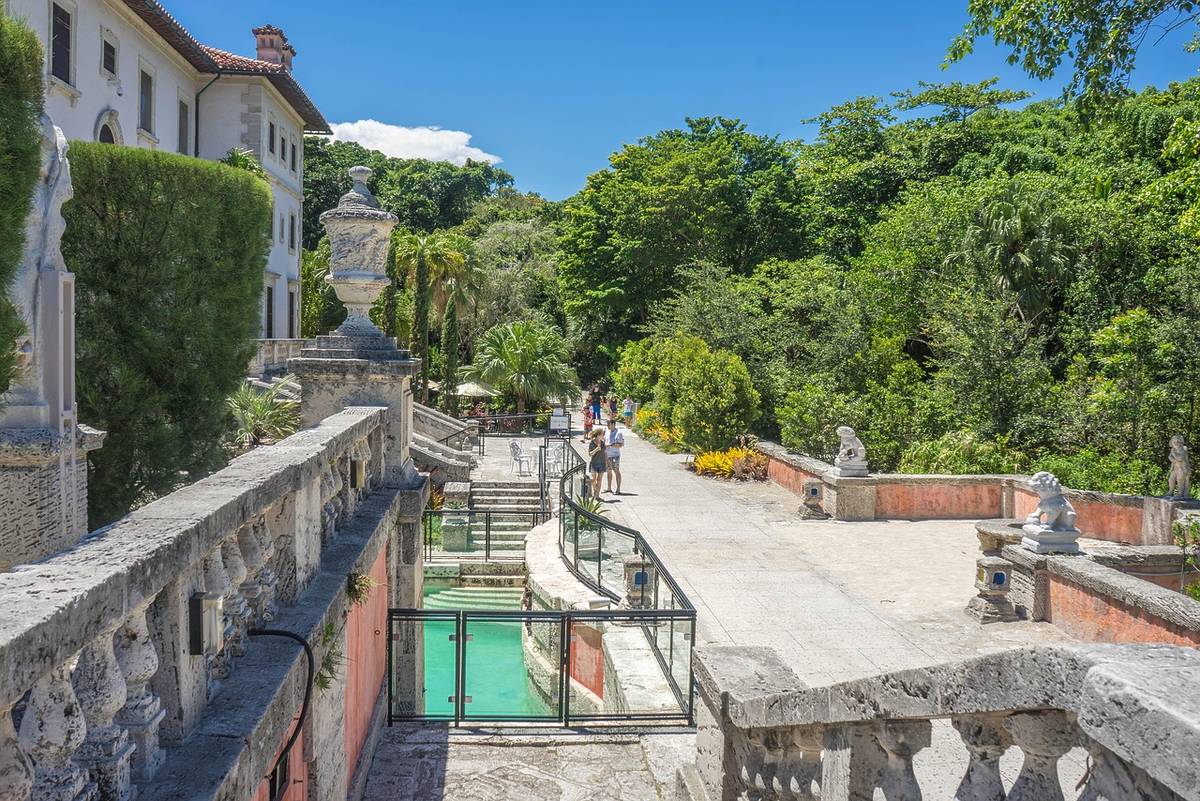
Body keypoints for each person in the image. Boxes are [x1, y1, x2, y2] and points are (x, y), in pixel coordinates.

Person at [604, 418, 625, 494]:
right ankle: (609, 488)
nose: (607, 426)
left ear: (613, 424)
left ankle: (618, 489)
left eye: (608, 424)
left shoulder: (618, 433)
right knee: (608, 471)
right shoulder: (607, 431)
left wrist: (611, 445)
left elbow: (621, 444)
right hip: (607, 454)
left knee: (616, 470)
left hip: (615, 455)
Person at [588, 428, 607, 498]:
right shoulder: (592, 443)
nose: (603, 436)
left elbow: (605, 453)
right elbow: (590, 454)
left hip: (602, 463)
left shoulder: (602, 443)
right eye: (602, 434)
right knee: (593, 480)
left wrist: (607, 462)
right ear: (598, 435)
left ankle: (597, 496)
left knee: (599, 480)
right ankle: (595, 491)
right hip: (594, 463)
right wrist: (596, 449)